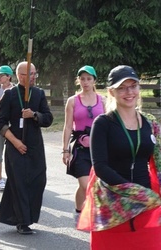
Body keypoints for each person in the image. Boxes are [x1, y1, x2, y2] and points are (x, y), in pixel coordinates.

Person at [78, 65, 161, 249]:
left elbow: (159, 162)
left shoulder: (150, 123)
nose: (129, 92)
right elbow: (100, 167)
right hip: (112, 206)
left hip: (145, 204)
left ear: (139, 89)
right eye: (122, 87)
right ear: (111, 92)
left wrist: (150, 194)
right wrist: (134, 192)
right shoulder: (103, 123)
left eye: (133, 86)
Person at [0, 62, 53, 234]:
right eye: (30, 74)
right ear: (20, 76)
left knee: (38, 180)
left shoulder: (39, 93)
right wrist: (15, 142)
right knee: (19, 183)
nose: (34, 77)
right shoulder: (10, 95)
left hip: (35, 145)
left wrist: (35, 115)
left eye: (35, 73)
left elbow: (48, 118)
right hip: (15, 146)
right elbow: (0, 124)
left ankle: (29, 217)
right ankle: (22, 222)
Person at [61, 65, 106, 222]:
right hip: (80, 148)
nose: (85, 82)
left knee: (96, 183)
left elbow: (109, 126)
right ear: (78, 80)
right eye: (82, 79)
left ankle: (83, 211)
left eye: (88, 78)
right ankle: (80, 211)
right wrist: (65, 150)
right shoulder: (73, 101)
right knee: (86, 183)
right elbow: (67, 126)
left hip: (99, 148)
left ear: (94, 80)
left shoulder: (103, 100)